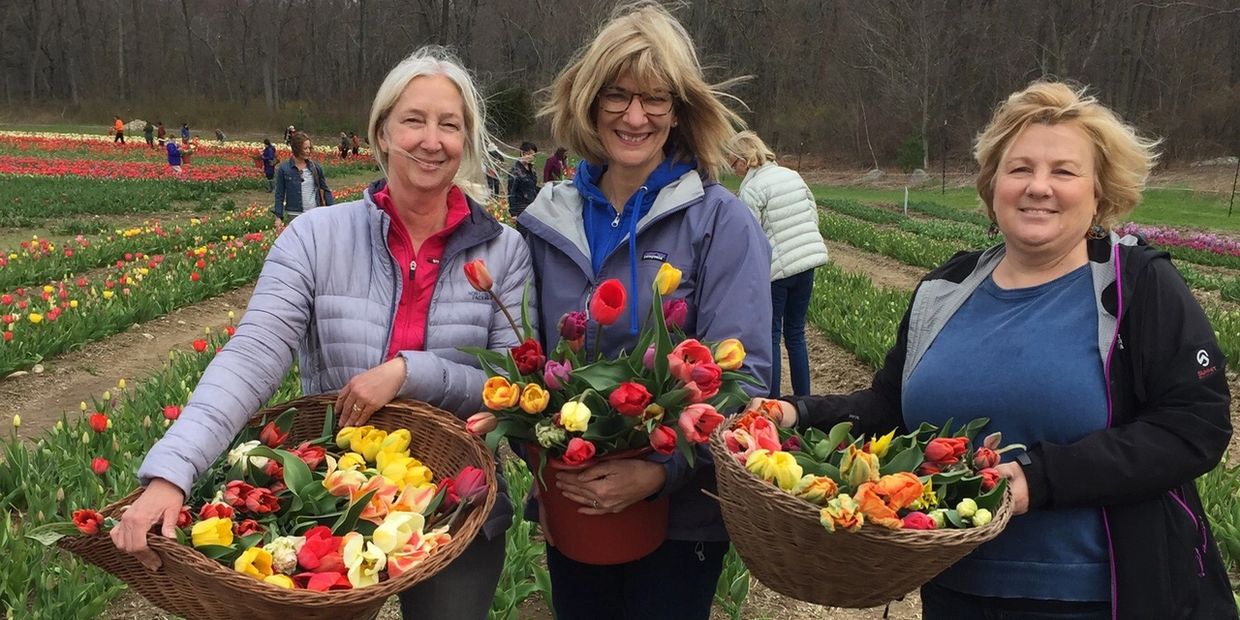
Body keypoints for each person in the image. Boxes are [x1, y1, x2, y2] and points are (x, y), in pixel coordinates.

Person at [750, 81, 1234, 620]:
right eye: (1020, 168)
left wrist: (1040, 477)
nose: (1038, 187)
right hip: (958, 587)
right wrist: (799, 412)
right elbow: (890, 410)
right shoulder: (946, 288)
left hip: (1099, 595)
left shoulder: (1136, 287)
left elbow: (1195, 425)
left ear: (1101, 191)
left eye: (1064, 172)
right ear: (993, 183)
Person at [112, 45, 529, 620]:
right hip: (334, 495)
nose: (432, 140)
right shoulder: (315, 237)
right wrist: (171, 472)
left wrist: (410, 371)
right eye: (413, 120)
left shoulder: (503, 251)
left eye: (449, 125)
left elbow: (508, 383)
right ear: (381, 133)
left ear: (466, 142)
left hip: (460, 498)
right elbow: (252, 356)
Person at [517, 4, 772, 618]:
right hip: (575, 502)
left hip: (680, 517)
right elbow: (521, 362)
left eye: (656, 99)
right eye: (617, 95)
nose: (635, 116)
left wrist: (660, 470)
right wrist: (546, 476)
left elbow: (748, 376)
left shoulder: (719, 222)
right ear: (588, 101)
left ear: (680, 110)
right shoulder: (547, 221)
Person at [725, 130, 827, 397]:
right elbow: (812, 213)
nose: (733, 169)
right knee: (796, 333)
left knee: (770, 334)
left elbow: (751, 236)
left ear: (745, 159)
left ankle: (771, 402)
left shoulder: (752, 188)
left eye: (733, 163)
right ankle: (803, 401)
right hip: (806, 265)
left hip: (776, 273)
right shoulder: (792, 175)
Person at [272, 132, 334, 224]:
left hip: (313, 213)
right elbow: (279, 194)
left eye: (309, 148)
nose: (308, 151)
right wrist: (278, 217)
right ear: (296, 149)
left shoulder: (315, 167)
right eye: (305, 148)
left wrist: (332, 212)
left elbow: (325, 190)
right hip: (294, 214)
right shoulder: (284, 169)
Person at [506, 141, 539, 218]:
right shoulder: (516, 171)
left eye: (533, 155)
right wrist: (513, 213)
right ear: (522, 153)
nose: (530, 156)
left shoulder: (531, 170)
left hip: (532, 206)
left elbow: (532, 187)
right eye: (528, 153)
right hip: (521, 207)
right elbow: (511, 192)